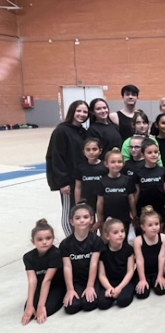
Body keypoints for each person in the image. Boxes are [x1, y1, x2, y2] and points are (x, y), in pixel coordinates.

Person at [46, 100, 89, 237]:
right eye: (79, 111)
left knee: (81, 211)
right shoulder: (61, 131)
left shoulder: (83, 132)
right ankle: (70, 241)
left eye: (85, 112)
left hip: (80, 179)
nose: (82, 114)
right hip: (68, 181)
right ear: (72, 112)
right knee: (69, 212)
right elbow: (56, 157)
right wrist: (62, 182)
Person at [60, 203, 103, 314]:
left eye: (85, 217)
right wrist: (70, 289)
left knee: (89, 304)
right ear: (71, 221)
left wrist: (90, 286)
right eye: (77, 218)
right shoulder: (65, 244)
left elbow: (94, 263)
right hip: (76, 281)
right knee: (71, 307)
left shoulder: (96, 240)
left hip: (92, 279)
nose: (82, 220)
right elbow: (67, 267)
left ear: (91, 220)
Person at [21, 219, 65, 325]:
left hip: (56, 286)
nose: (44, 242)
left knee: (47, 310)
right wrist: (29, 305)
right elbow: (32, 280)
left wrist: (41, 306)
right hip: (41, 286)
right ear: (33, 241)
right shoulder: (28, 257)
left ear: (53, 238)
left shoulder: (56, 254)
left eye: (48, 238)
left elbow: (47, 279)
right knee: (30, 311)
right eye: (40, 239)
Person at [96, 148, 136, 235]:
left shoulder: (127, 180)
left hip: (124, 217)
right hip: (108, 216)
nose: (116, 164)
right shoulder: (102, 181)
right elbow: (100, 201)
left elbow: (131, 198)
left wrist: (134, 214)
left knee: (122, 237)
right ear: (106, 164)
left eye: (119, 162)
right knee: (109, 238)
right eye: (113, 162)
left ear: (123, 164)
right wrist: (100, 218)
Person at [97, 219, 135, 310]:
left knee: (123, 301)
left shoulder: (128, 249)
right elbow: (101, 274)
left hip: (125, 281)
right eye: (115, 232)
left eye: (122, 231)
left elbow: (130, 271)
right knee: (102, 303)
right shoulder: (103, 251)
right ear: (107, 236)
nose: (120, 234)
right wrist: (109, 288)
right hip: (110, 282)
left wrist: (120, 287)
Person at [134, 207, 165, 299]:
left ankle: (155, 279)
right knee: (142, 294)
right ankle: (145, 280)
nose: (154, 227)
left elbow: (162, 257)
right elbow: (139, 260)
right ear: (143, 227)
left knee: (162, 290)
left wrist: (160, 276)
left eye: (156, 224)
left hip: (157, 270)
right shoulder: (138, 240)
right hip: (143, 271)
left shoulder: (163, 238)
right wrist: (142, 279)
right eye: (150, 225)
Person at [74, 138, 108, 213]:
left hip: (102, 202)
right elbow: (78, 187)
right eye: (88, 150)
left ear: (100, 151)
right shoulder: (80, 167)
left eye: (94, 149)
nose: (91, 152)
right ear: (83, 152)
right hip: (86, 202)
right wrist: (77, 205)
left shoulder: (105, 167)